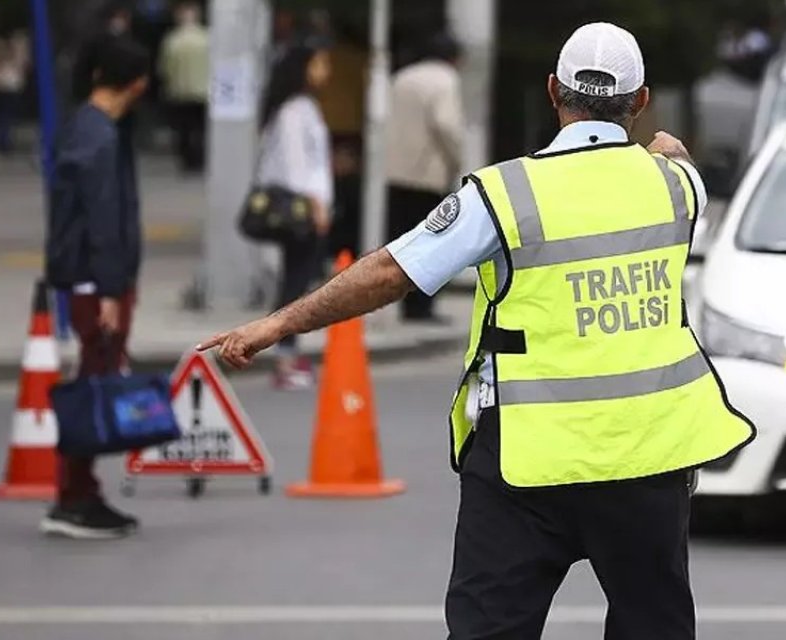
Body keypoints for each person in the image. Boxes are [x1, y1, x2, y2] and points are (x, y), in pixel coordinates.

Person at [200, 22, 754, 639]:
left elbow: (391, 271)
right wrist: (665, 152)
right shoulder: (679, 187)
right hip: (648, 459)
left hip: (527, 462)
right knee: (655, 627)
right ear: (642, 100)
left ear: (552, 91)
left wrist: (278, 323)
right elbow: (673, 161)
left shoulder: (505, 194)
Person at [41, 36, 149, 539]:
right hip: (95, 282)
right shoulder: (101, 137)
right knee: (94, 385)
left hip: (87, 277)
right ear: (138, 83)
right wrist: (110, 290)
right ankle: (75, 497)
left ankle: (81, 491)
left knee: (94, 379)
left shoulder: (84, 126)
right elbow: (103, 219)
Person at [255, 42, 334, 390]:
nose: (325, 71)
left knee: (297, 279)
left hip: (308, 206)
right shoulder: (294, 111)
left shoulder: (302, 107)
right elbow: (295, 166)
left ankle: (288, 352)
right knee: (294, 283)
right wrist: (316, 206)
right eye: (319, 63)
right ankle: (284, 356)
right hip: (301, 209)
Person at [385, 32, 464, 323]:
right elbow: (446, 124)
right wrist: (456, 159)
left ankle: (406, 305)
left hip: (395, 171)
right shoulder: (446, 80)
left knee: (402, 241)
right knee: (431, 242)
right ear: (454, 58)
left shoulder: (402, 77)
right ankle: (423, 308)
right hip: (427, 174)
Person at [157, 2, 208, 173]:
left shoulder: (172, 40)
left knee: (184, 129)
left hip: (180, 91)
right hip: (204, 91)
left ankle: (187, 160)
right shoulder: (207, 38)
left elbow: (165, 67)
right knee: (201, 128)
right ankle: (200, 158)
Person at [0, 27, 28, 158]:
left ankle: (2, 139)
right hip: (12, 83)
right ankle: (5, 140)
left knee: (1, 114)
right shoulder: (18, 46)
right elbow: (24, 64)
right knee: (8, 114)